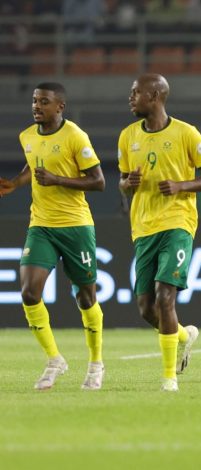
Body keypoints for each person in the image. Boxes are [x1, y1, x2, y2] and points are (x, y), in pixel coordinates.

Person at [118, 73, 201, 392]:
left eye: (136, 93)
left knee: (166, 297)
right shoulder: (126, 136)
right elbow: (123, 182)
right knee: (146, 308)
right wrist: (127, 185)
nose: (131, 98)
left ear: (155, 96)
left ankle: (169, 379)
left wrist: (182, 185)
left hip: (178, 222)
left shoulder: (186, 134)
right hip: (143, 227)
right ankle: (182, 336)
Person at [0, 82, 106, 391]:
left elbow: (98, 181)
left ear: (59, 106)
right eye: (34, 101)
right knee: (29, 292)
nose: (36, 106)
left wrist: (58, 179)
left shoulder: (75, 136)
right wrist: (16, 183)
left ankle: (96, 363)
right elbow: (33, 167)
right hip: (41, 225)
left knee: (86, 297)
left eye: (43, 102)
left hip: (75, 226)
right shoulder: (27, 136)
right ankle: (54, 359)